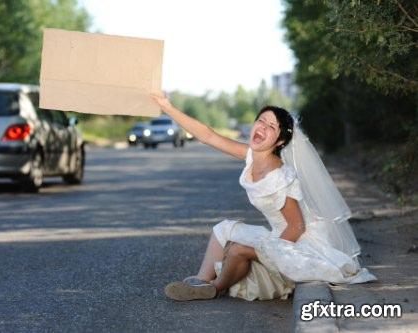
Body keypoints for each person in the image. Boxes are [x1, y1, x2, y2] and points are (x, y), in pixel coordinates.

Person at [150, 92, 377, 302]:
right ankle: (201, 279)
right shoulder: (252, 156)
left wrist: (270, 251)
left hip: (303, 243)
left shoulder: (280, 176)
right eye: (262, 121)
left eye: (272, 127)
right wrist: (167, 107)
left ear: (279, 142)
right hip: (281, 235)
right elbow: (208, 136)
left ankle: (213, 288)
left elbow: (297, 226)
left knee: (238, 249)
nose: (263, 127)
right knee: (224, 229)